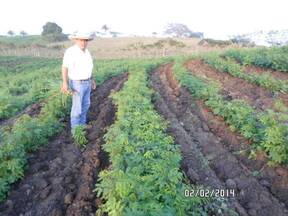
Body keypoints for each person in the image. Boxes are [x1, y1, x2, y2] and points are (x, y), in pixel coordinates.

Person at [61, 31, 97, 134]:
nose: (83, 43)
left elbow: (89, 67)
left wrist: (92, 79)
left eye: (85, 40)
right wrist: (65, 83)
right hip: (77, 83)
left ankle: (82, 125)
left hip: (87, 82)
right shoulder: (71, 52)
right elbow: (64, 67)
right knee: (77, 109)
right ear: (76, 40)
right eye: (81, 40)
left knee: (86, 104)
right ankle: (76, 131)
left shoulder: (87, 52)